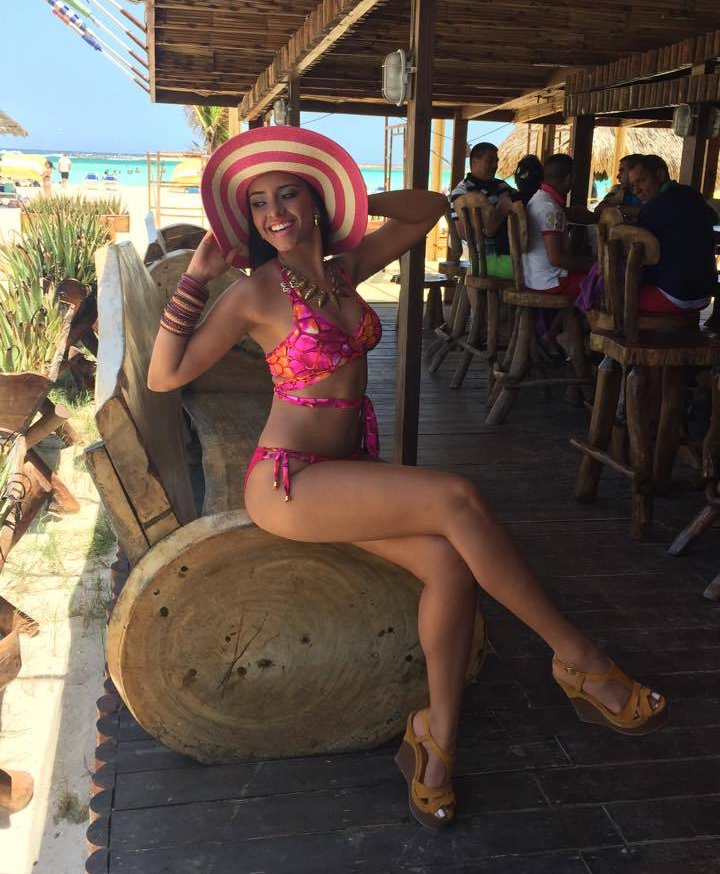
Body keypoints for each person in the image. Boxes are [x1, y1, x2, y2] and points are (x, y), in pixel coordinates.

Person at [147, 128, 666, 831]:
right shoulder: (256, 292)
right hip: (291, 482)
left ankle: (435, 740)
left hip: (347, 472)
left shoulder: (344, 269)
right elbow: (165, 375)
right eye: (260, 203)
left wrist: (350, 205)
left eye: (289, 195)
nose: (274, 213)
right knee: (457, 497)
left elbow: (427, 210)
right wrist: (196, 277)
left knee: (449, 566)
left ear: (316, 203)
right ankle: (577, 658)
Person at [627, 154, 717, 313]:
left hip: (676, 296)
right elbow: (713, 217)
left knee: (612, 295)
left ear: (661, 175)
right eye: (633, 185)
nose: (636, 190)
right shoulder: (692, 194)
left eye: (641, 181)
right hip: (705, 294)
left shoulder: (655, 206)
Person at [524, 153, 594, 297]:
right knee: (606, 282)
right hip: (550, 282)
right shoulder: (550, 208)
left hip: (534, 278)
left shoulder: (538, 199)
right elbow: (556, 258)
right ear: (568, 178)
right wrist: (590, 265)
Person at [450, 142, 518, 279]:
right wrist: (501, 212)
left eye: (496, 161)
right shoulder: (462, 192)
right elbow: (464, 234)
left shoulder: (502, 186)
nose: (495, 165)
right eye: (489, 161)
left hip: (513, 250)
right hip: (486, 256)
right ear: (474, 162)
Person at [595, 153, 643, 219]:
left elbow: (646, 211)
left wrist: (614, 207)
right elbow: (599, 209)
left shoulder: (648, 194)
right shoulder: (620, 192)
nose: (618, 176)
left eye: (622, 171)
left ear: (634, 171)